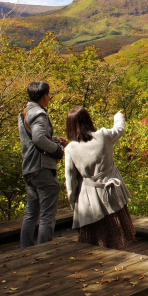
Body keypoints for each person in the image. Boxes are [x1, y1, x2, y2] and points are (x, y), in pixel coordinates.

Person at [65, 107, 136, 249]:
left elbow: (70, 180)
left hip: (90, 201)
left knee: (93, 244)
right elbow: (119, 129)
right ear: (88, 120)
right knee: (118, 238)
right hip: (112, 195)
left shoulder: (71, 149)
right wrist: (118, 116)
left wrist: (74, 203)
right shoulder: (103, 136)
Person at [18, 81, 67, 248]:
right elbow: (38, 138)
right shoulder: (40, 114)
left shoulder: (25, 112)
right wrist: (57, 150)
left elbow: (33, 138)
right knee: (47, 215)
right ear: (44, 95)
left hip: (29, 168)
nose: (49, 97)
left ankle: (26, 251)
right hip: (42, 168)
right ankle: (44, 253)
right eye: (48, 94)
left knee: (31, 214)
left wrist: (53, 139)